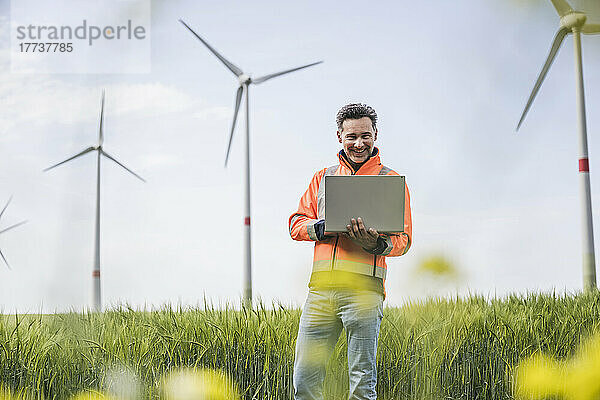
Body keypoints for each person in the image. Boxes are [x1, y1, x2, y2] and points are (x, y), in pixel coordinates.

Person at [288, 103, 412, 400]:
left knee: (361, 385)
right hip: (321, 293)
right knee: (304, 379)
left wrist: (377, 244)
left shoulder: (390, 180)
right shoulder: (322, 178)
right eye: (351, 136)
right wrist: (322, 227)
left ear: (375, 135)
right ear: (339, 137)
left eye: (365, 136)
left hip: (365, 295)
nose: (359, 143)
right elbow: (295, 225)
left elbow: (404, 239)